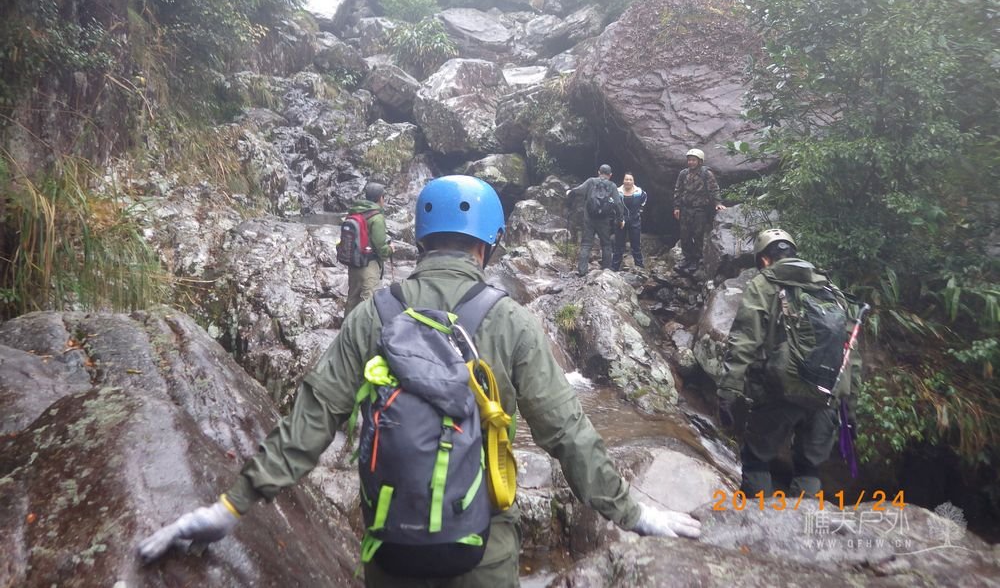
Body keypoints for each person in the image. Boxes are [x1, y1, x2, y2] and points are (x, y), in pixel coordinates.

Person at [138, 175, 701, 586]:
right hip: (483, 552)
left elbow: (311, 421)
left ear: (424, 238)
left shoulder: (373, 314)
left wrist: (229, 507)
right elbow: (567, 433)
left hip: (392, 552)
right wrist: (634, 514)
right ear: (487, 244)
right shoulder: (511, 320)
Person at [716, 229, 861, 498]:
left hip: (779, 392)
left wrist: (728, 390)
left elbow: (745, 339)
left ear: (765, 260)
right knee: (809, 468)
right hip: (826, 396)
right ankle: (802, 520)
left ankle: (757, 518)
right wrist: (849, 411)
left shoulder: (765, 284)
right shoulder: (830, 290)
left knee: (757, 458)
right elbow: (851, 354)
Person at [566, 164, 624, 276]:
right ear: (610, 175)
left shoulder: (591, 181)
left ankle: (582, 271)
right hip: (604, 220)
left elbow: (578, 191)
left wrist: (570, 192)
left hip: (589, 219)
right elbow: (618, 203)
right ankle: (606, 271)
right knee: (606, 244)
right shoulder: (612, 186)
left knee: (586, 244)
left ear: (598, 172)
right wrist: (620, 218)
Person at [672, 149, 725, 272]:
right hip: (685, 208)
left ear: (700, 161)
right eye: (689, 160)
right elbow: (678, 190)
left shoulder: (706, 173)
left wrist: (718, 203)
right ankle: (687, 258)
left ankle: (697, 259)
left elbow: (714, 189)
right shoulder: (683, 173)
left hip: (700, 210)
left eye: (693, 160)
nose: (690, 162)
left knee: (698, 235)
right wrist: (676, 207)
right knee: (685, 235)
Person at [345, 182, 393, 316]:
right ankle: (363, 328)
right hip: (368, 265)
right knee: (368, 301)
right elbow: (380, 248)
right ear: (380, 198)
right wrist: (390, 249)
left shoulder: (354, 212)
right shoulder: (377, 217)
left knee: (352, 298)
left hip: (353, 263)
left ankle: (346, 326)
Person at [612, 172, 647, 271]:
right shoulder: (617, 191)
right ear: (623, 181)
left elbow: (644, 200)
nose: (628, 181)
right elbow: (612, 203)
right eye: (626, 179)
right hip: (620, 221)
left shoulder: (639, 192)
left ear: (633, 181)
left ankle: (640, 268)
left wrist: (639, 211)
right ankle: (614, 268)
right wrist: (619, 217)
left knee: (636, 246)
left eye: (630, 179)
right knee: (618, 246)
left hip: (634, 221)